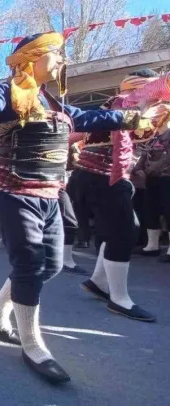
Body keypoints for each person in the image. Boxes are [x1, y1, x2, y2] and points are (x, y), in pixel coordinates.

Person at [0, 33, 157, 384]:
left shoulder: (52, 101)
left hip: (49, 193)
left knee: (50, 265)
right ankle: (32, 344)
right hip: (10, 191)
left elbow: (88, 118)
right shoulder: (5, 92)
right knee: (29, 263)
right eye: (56, 54)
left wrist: (133, 118)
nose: (62, 60)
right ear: (32, 57)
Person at [72, 69, 168, 321]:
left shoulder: (120, 104)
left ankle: (98, 281)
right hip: (103, 176)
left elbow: (78, 135)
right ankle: (119, 299)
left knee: (113, 231)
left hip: (94, 176)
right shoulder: (125, 103)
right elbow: (124, 135)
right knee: (125, 231)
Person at [135, 129, 170, 261]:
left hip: (167, 178)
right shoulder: (154, 135)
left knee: (168, 212)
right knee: (150, 211)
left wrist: (154, 167)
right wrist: (138, 168)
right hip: (152, 179)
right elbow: (145, 153)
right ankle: (152, 246)